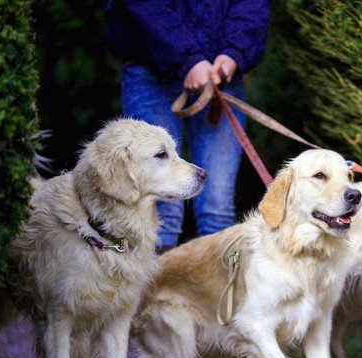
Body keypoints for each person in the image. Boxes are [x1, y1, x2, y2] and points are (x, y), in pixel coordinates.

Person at [105, 0, 271, 250]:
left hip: (222, 78)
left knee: (218, 207)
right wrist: (189, 59)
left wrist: (234, 53)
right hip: (150, 71)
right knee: (158, 207)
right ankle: (155, 287)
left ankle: (215, 286)